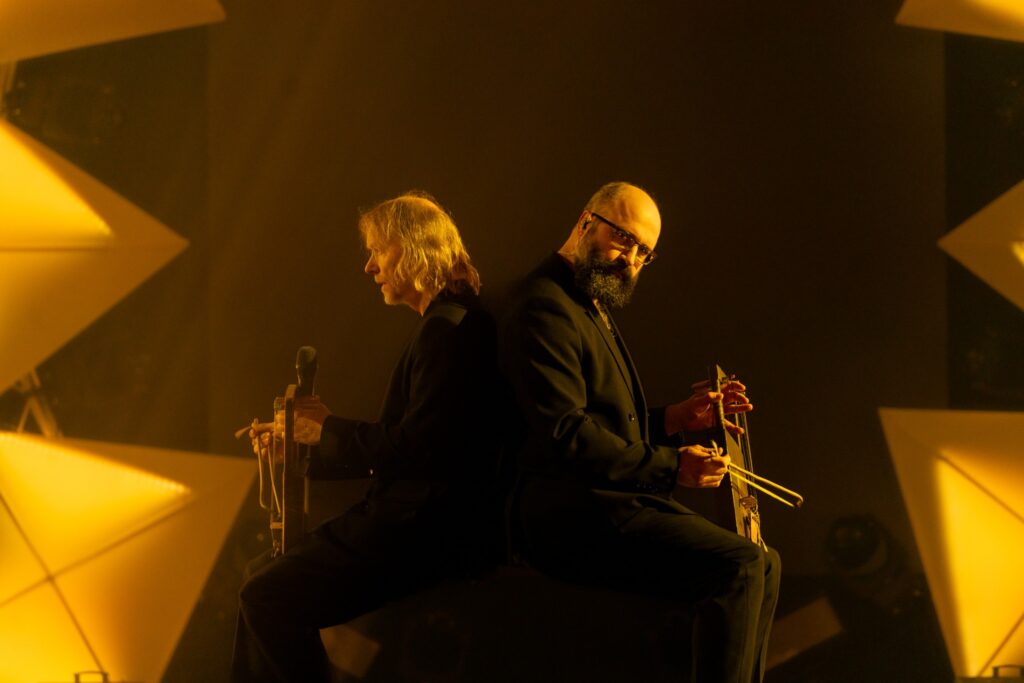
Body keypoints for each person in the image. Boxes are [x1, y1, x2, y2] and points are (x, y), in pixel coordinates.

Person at [499, 181, 780, 682]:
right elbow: (566, 436)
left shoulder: (586, 304)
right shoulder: (544, 304)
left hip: (606, 500)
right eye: (624, 239)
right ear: (586, 222)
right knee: (740, 566)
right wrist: (674, 466)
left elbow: (610, 426)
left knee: (765, 562)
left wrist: (677, 419)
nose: (630, 260)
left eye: (644, 253)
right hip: (569, 515)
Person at [232, 191, 501, 683]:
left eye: (378, 250)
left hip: (422, 531)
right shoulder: (448, 324)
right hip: (417, 521)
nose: (369, 266)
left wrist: (327, 429)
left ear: (414, 248)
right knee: (258, 580)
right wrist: (306, 445)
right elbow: (409, 442)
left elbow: (420, 450)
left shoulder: (448, 331)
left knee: (266, 595)